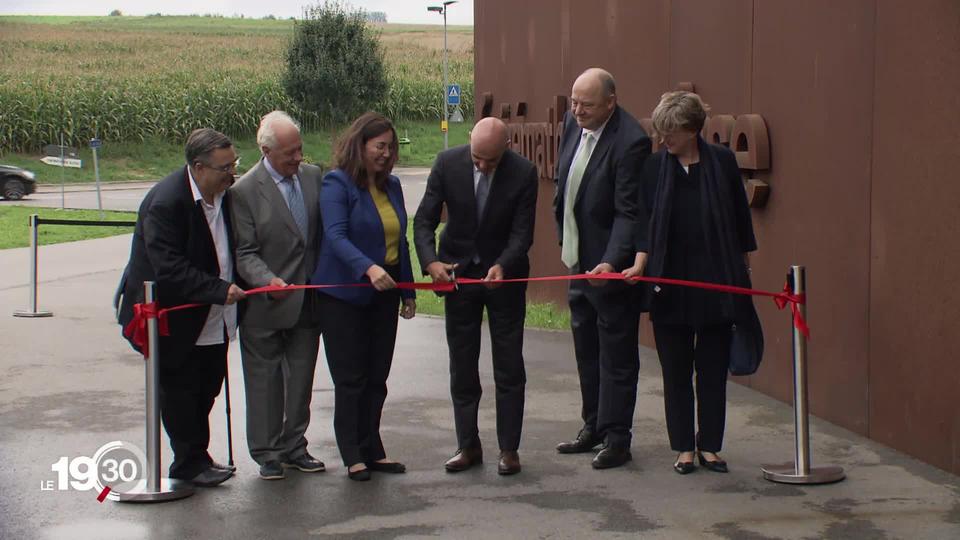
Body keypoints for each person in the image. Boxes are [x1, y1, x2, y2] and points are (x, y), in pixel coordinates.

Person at [622, 91, 758, 474]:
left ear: (693, 130)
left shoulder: (723, 163)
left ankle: (710, 446)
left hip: (715, 283)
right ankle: (683, 447)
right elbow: (644, 224)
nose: (665, 140)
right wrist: (639, 265)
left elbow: (739, 223)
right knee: (676, 371)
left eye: (672, 133)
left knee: (712, 371)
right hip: (669, 284)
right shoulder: (653, 168)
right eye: (661, 132)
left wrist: (743, 275)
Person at [118, 128, 246, 487]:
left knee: (208, 385)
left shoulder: (224, 197)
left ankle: (197, 455)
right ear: (199, 167)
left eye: (234, 164)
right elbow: (169, 268)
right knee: (180, 389)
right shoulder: (167, 203)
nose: (231, 173)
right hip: (174, 317)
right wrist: (219, 289)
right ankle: (187, 461)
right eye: (225, 167)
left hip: (214, 315)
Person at [414, 117, 538, 475]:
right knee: (463, 363)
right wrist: (430, 262)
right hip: (459, 276)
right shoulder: (447, 163)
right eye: (477, 159)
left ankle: (509, 449)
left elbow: (522, 233)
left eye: (491, 161)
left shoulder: (524, 173)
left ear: (507, 148)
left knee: (509, 364)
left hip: (505, 278)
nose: (482, 167)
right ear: (469, 144)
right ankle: (467, 445)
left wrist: (503, 264)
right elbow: (423, 220)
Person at [553, 67, 651, 469]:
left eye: (587, 105)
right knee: (586, 350)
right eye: (574, 102)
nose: (577, 111)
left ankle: (617, 438)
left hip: (611, 269)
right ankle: (592, 425)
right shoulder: (572, 123)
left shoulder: (631, 142)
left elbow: (629, 213)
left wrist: (610, 260)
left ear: (610, 102)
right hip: (577, 260)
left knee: (616, 355)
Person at [310, 112, 417, 481]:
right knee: (351, 378)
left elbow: (399, 240)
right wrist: (368, 269)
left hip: (384, 295)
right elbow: (336, 237)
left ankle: (373, 448)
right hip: (344, 295)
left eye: (391, 147)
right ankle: (352, 453)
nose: (386, 154)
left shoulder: (394, 186)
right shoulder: (336, 184)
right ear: (361, 145)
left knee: (377, 377)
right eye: (379, 147)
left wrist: (407, 289)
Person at [230, 111, 325, 481]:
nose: (297, 158)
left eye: (299, 149)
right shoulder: (244, 191)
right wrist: (267, 280)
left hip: (308, 300)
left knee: (301, 379)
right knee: (265, 382)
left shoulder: (314, 176)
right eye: (289, 153)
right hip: (267, 305)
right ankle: (267, 452)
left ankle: (294, 446)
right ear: (266, 151)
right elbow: (244, 252)